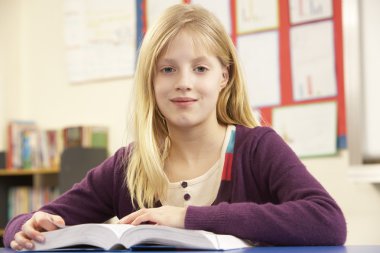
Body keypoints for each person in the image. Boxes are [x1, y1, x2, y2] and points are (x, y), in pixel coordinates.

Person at [4, 4, 346, 250]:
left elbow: (327, 221)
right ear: (150, 81)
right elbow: (33, 221)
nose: (184, 83)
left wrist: (186, 218)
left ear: (223, 77)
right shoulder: (128, 165)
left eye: (200, 69)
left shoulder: (257, 148)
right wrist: (24, 227)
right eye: (167, 69)